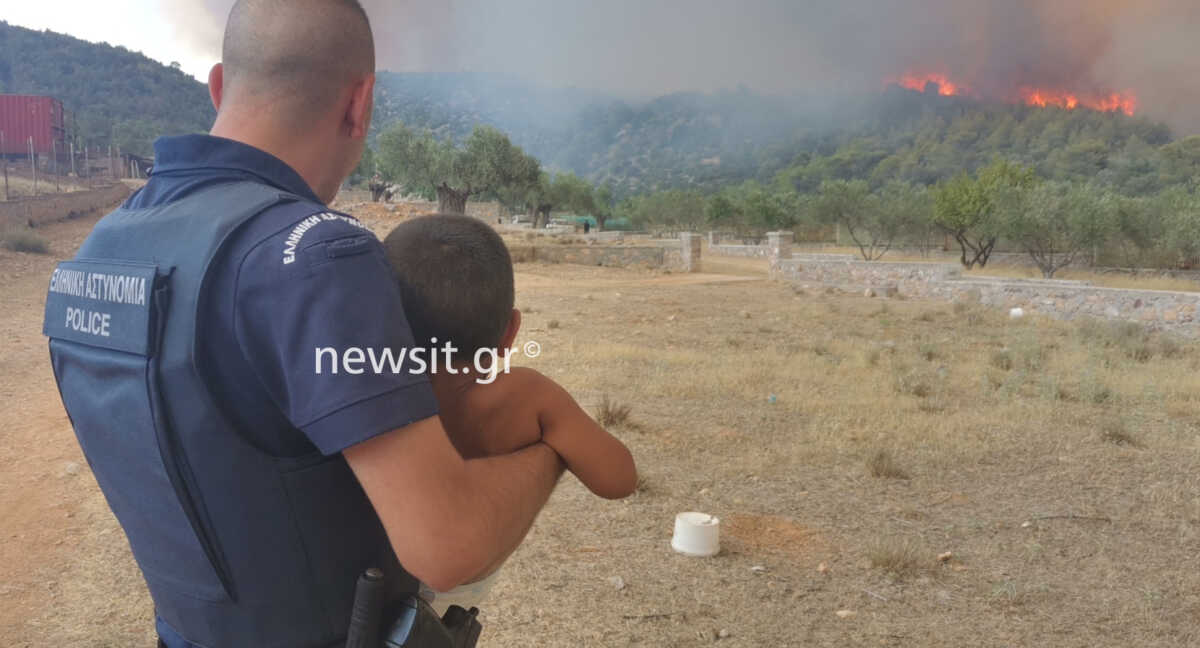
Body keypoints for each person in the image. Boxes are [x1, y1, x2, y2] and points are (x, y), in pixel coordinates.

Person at [41, 2, 563, 647]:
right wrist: (549, 453)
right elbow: (446, 547)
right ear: (360, 104)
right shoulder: (314, 252)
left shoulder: (101, 248)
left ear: (219, 87)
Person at [382, 214, 638, 612]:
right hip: (458, 600)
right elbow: (618, 479)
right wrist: (551, 447)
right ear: (509, 333)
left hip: (373, 583)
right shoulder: (525, 395)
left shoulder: (365, 393)